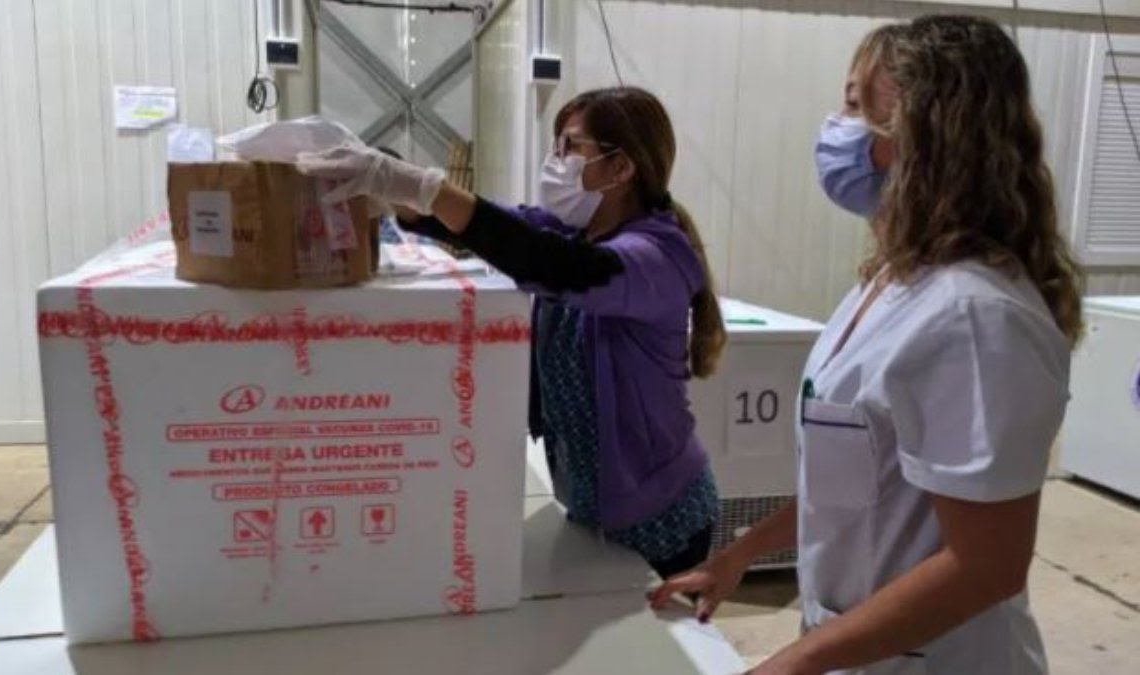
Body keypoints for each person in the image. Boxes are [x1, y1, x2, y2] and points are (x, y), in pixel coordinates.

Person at [650, 15, 1082, 674]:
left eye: (855, 106)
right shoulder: (889, 282)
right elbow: (852, 488)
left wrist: (792, 662)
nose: (836, 128)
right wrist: (739, 554)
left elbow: (986, 564)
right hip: (862, 651)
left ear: (921, 130)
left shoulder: (973, 316)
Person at [300, 87, 728, 578]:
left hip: (662, 517)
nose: (556, 160)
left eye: (571, 147)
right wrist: (405, 199)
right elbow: (500, 225)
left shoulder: (655, 257)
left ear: (620, 167)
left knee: (661, 629)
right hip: (592, 503)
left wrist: (423, 187)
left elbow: (548, 263)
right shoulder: (576, 232)